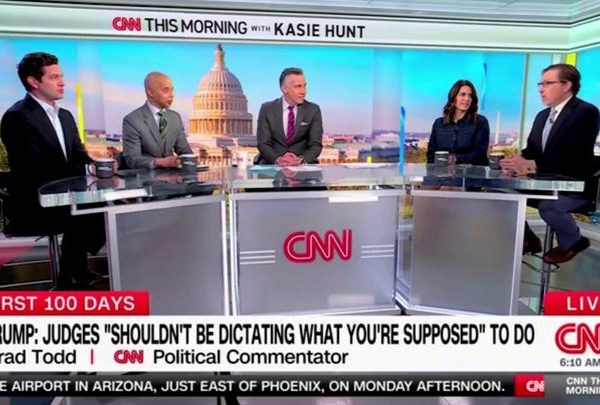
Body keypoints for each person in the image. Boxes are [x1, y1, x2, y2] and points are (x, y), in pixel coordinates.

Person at [0, 52, 105, 289]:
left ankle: (75, 272)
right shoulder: (17, 117)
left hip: (65, 196)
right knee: (84, 212)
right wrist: (86, 168)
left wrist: (96, 166)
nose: (62, 82)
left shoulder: (65, 116)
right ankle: (72, 275)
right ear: (33, 81)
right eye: (54, 77)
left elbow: (77, 154)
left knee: (101, 205)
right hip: (32, 200)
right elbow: (35, 166)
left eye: (62, 76)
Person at [500, 63, 600, 264]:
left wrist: (534, 164)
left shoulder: (586, 112)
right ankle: (528, 239)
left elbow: (576, 156)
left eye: (547, 83)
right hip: (542, 183)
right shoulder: (542, 116)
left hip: (573, 185)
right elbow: (532, 150)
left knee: (549, 206)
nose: (540, 89)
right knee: (498, 193)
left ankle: (573, 242)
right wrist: (515, 162)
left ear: (566, 85)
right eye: (540, 84)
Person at [122, 72, 193, 169]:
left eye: (172, 90)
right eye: (166, 90)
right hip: (146, 176)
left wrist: (192, 160)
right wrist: (158, 162)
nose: (172, 95)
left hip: (173, 176)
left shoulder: (175, 117)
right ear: (150, 92)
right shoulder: (133, 120)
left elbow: (185, 151)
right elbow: (132, 159)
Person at [257, 67, 323, 166]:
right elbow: (263, 143)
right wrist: (278, 159)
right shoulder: (267, 109)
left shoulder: (313, 110)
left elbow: (315, 145)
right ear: (284, 89)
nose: (303, 91)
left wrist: (300, 160)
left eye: (304, 86)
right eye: (298, 86)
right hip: (273, 165)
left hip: (303, 166)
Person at [426, 80, 490, 166]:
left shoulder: (480, 122)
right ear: (453, 97)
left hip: (472, 172)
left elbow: (479, 152)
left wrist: (456, 159)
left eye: (470, 95)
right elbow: (431, 154)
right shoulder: (438, 123)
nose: (467, 99)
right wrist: (432, 171)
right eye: (462, 94)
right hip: (443, 173)